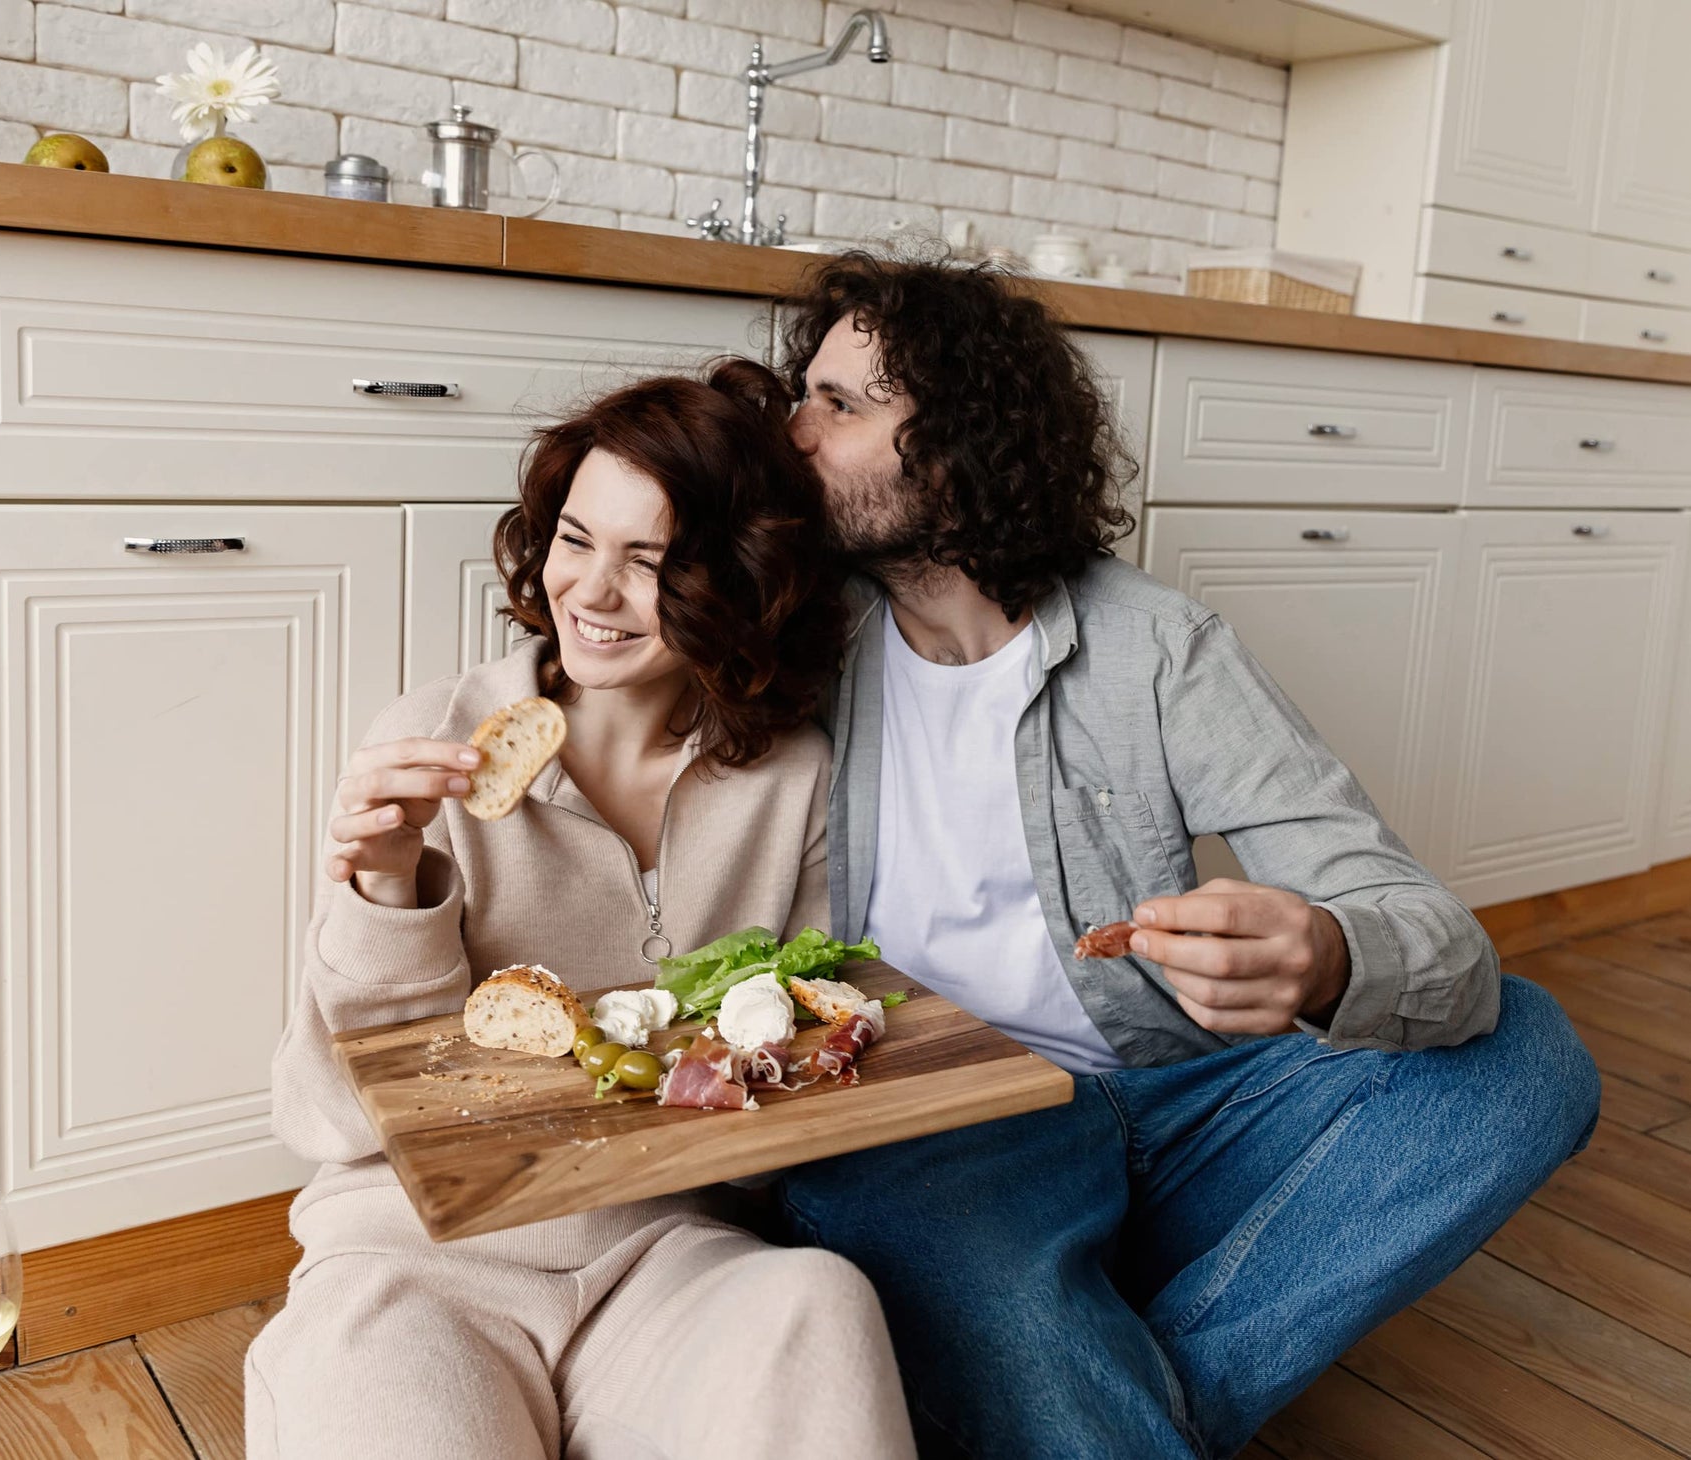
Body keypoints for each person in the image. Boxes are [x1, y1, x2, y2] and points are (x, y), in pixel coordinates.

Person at [770, 252, 1602, 1460]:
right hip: (939, 1115)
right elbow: (593, 641)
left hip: (1172, 1093)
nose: (791, 430)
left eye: (839, 404)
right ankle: (1071, 1361)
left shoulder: (1156, 648)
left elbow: (1431, 936)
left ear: (951, 445)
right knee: (888, 1211)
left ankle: (1104, 1381)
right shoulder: (793, 636)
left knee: (1527, 1057)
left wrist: (1323, 953)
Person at [245, 358, 915, 1459]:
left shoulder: (792, 776)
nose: (591, 593)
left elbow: (777, 1104)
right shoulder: (432, 744)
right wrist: (387, 890)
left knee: (820, 1303)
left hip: (670, 1251)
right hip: (417, 1256)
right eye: (574, 538)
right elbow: (330, 1117)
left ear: (741, 579)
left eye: (649, 561)